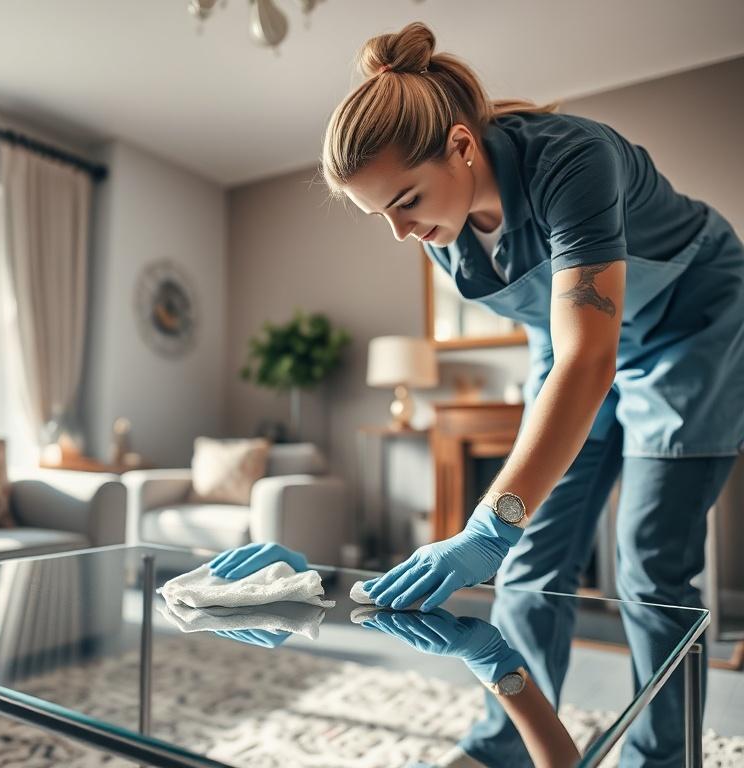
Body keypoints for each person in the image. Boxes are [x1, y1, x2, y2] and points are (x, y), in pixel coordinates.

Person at [209, 21, 744, 768]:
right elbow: (559, 344)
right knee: (527, 562)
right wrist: (506, 535)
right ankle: (507, 746)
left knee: (650, 562)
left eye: (405, 200)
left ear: (462, 145)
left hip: (690, 327)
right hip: (570, 353)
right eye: (380, 217)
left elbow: (590, 361)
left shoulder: (573, 161)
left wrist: (490, 524)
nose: (401, 233)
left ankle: (661, 757)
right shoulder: (443, 232)